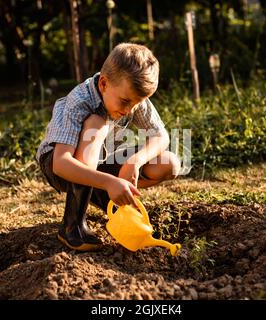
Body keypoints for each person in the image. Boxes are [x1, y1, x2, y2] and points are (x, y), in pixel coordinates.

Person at [36, 43, 181, 252]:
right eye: (125, 102)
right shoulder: (80, 100)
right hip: (60, 166)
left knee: (169, 163)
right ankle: (72, 226)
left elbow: (161, 136)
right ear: (103, 83)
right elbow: (61, 164)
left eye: (136, 104)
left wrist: (134, 162)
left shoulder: (129, 95)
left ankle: (106, 199)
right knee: (97, 123)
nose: (129, 110)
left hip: (100, 163)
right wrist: (110, 181)